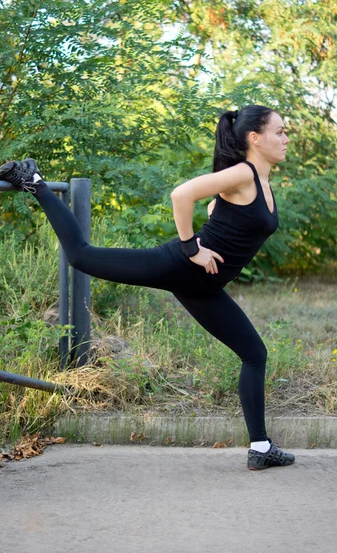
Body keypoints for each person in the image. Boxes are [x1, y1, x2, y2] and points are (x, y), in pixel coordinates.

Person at [0, 104, 294, 471]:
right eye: (280, 131)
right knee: (81, 256)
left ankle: (261, 448)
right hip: (180, 267)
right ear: (255, 138)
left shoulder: (259, 180)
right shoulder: (242, 174)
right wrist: (192, 249)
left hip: (204, 288)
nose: (286, 138)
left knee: (254, 354)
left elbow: (222, 214)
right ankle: (35, 182)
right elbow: (181, 195)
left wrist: (214, 221)